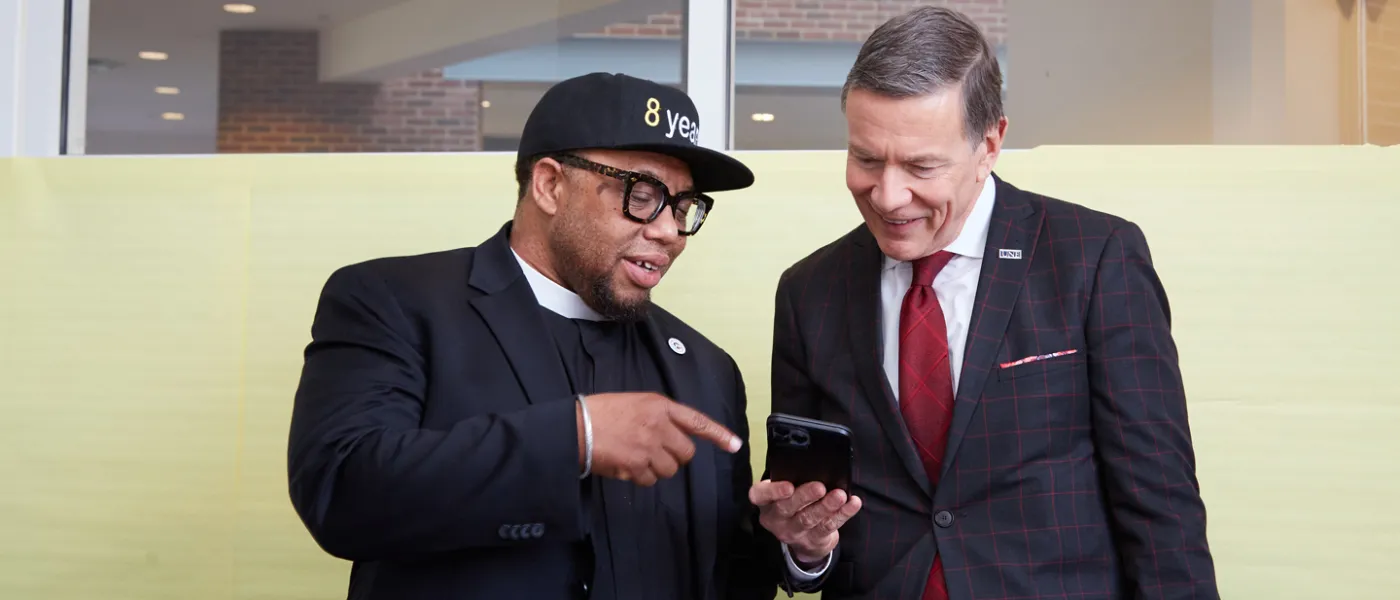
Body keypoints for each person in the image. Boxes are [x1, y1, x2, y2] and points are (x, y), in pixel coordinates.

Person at [749, 7, 1219, 599]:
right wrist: (802, 547)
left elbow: (1161, 507)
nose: (888, 196)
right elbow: (804, 516)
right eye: (866, 159)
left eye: (922, 165)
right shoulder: (808, 291)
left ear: (990, 144)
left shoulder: (1095, 259)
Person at [286, 72, 776, 600]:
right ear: (549, 185)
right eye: (643, 194)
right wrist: (577, 438)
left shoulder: (707, 369)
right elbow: (341, 493)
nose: (669, 232)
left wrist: (795, 549)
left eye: (683, 206)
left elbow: (729, 570)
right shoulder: (393, 302)